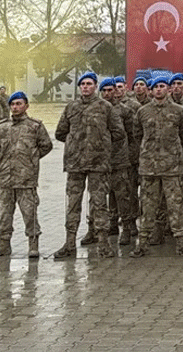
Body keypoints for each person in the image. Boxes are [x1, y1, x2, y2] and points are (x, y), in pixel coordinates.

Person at [53, 72, 126, 259]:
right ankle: (69, 244)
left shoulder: (105, 107)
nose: (85, 87)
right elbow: (60, 132)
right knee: (72, 205)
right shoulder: (72, 107)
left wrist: (102, 146)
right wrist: (76, 144)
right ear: (80, 87)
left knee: (99, 204)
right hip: (75, 164)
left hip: (98, 164)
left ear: (95, 86)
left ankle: (103, 244)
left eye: (89, 84)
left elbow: (118, 133)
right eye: (83, 84)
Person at [132, 75, 183, 257]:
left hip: (172, 167)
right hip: (149, 167)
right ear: (151, 91)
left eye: (162, 86)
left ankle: (181, 243)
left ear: (167, 89)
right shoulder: (142, 112)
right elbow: (138, 135)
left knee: (176, 206)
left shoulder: (179, 111)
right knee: (148, 206)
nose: (158, 89)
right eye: (155, 87)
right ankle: (143, 243)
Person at [0, 91, 53, 260]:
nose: (15, 107)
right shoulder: (1, 126)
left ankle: (33, 244)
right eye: (13, 104)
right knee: (4, 213)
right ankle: (3, 244)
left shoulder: (35, 126)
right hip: (6, 179)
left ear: (26, 106)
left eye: (18, 104)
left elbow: (46, 145)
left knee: (29, 213)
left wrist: (31, 159)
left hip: (26, 178)